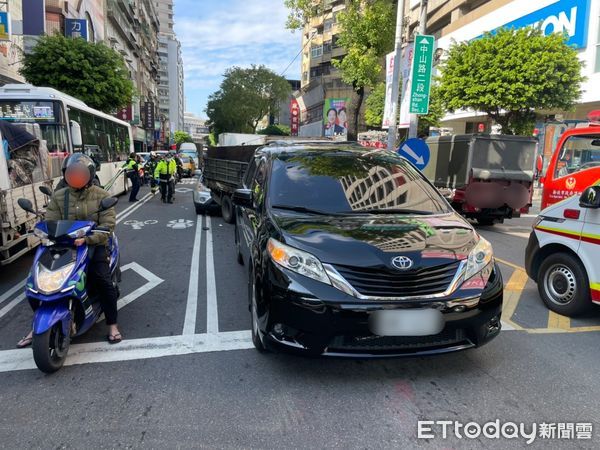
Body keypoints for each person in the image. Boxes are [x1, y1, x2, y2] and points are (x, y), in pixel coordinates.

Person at [16, 153, 122, 347]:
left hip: (91, 244)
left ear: (89, 174)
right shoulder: (58, 196)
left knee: (103, 280)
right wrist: (44, 231)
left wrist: (89, 238)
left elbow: (108, 224)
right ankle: (36, 326)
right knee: (37, 281)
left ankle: (112, 325)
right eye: (71, 173)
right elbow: (50, 220)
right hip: (62, 244)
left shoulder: (101, 195)